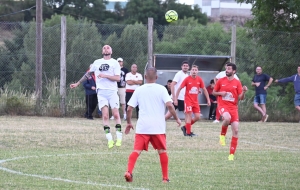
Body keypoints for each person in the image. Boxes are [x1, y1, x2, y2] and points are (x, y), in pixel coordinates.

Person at [124, 67, 181, 183]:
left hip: (143, 127)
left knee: (136, 151)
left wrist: (129, 123)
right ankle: (165, 178)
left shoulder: (139, 90)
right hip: (158, 128)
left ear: (145, 77)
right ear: (156, 77)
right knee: (162, 151)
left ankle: (129, 171)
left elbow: (129, 109)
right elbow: (170, 106)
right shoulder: (161, 89)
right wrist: (177, 118)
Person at [70, 45, 123, 149]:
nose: (106, 49)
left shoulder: (115, 63)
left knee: (116, 114)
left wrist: (105, 75)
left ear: (111, 51)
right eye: (104, 48)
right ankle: (109, 140)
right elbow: (88, 74)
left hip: (112, 92)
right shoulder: (97, 62)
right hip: (101, 92)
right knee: (105, 115)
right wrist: (78, 83)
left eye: (108, 48)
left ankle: (119, 138)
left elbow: (117, 78)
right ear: (102, 51)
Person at [212, 62, 247, 161]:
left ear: (234, 71)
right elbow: (214, 92)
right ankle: (222, 135)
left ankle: (231, 155)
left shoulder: (237, 82)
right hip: (223, 105)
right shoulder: (221, 81)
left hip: (233, 108)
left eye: (229, 69)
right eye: (226, 69)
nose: (227, 70)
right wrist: (220, 93)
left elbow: (241, 98)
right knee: (227, 118)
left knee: (236, 130)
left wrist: (243, 92)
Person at [174, 65, 211, 137]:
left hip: (195, 101)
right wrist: (176, 98)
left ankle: (185, 127)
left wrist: (208, 100)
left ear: (198, 71)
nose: (194, 71)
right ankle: (188, 133)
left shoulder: (199, 79)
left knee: (197, 117)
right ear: (190, 71)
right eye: (193, 70)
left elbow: (204, 89)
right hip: (188, 101)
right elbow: (179, 88)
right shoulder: (187, 79)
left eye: (195, 70)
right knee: (189, 116)